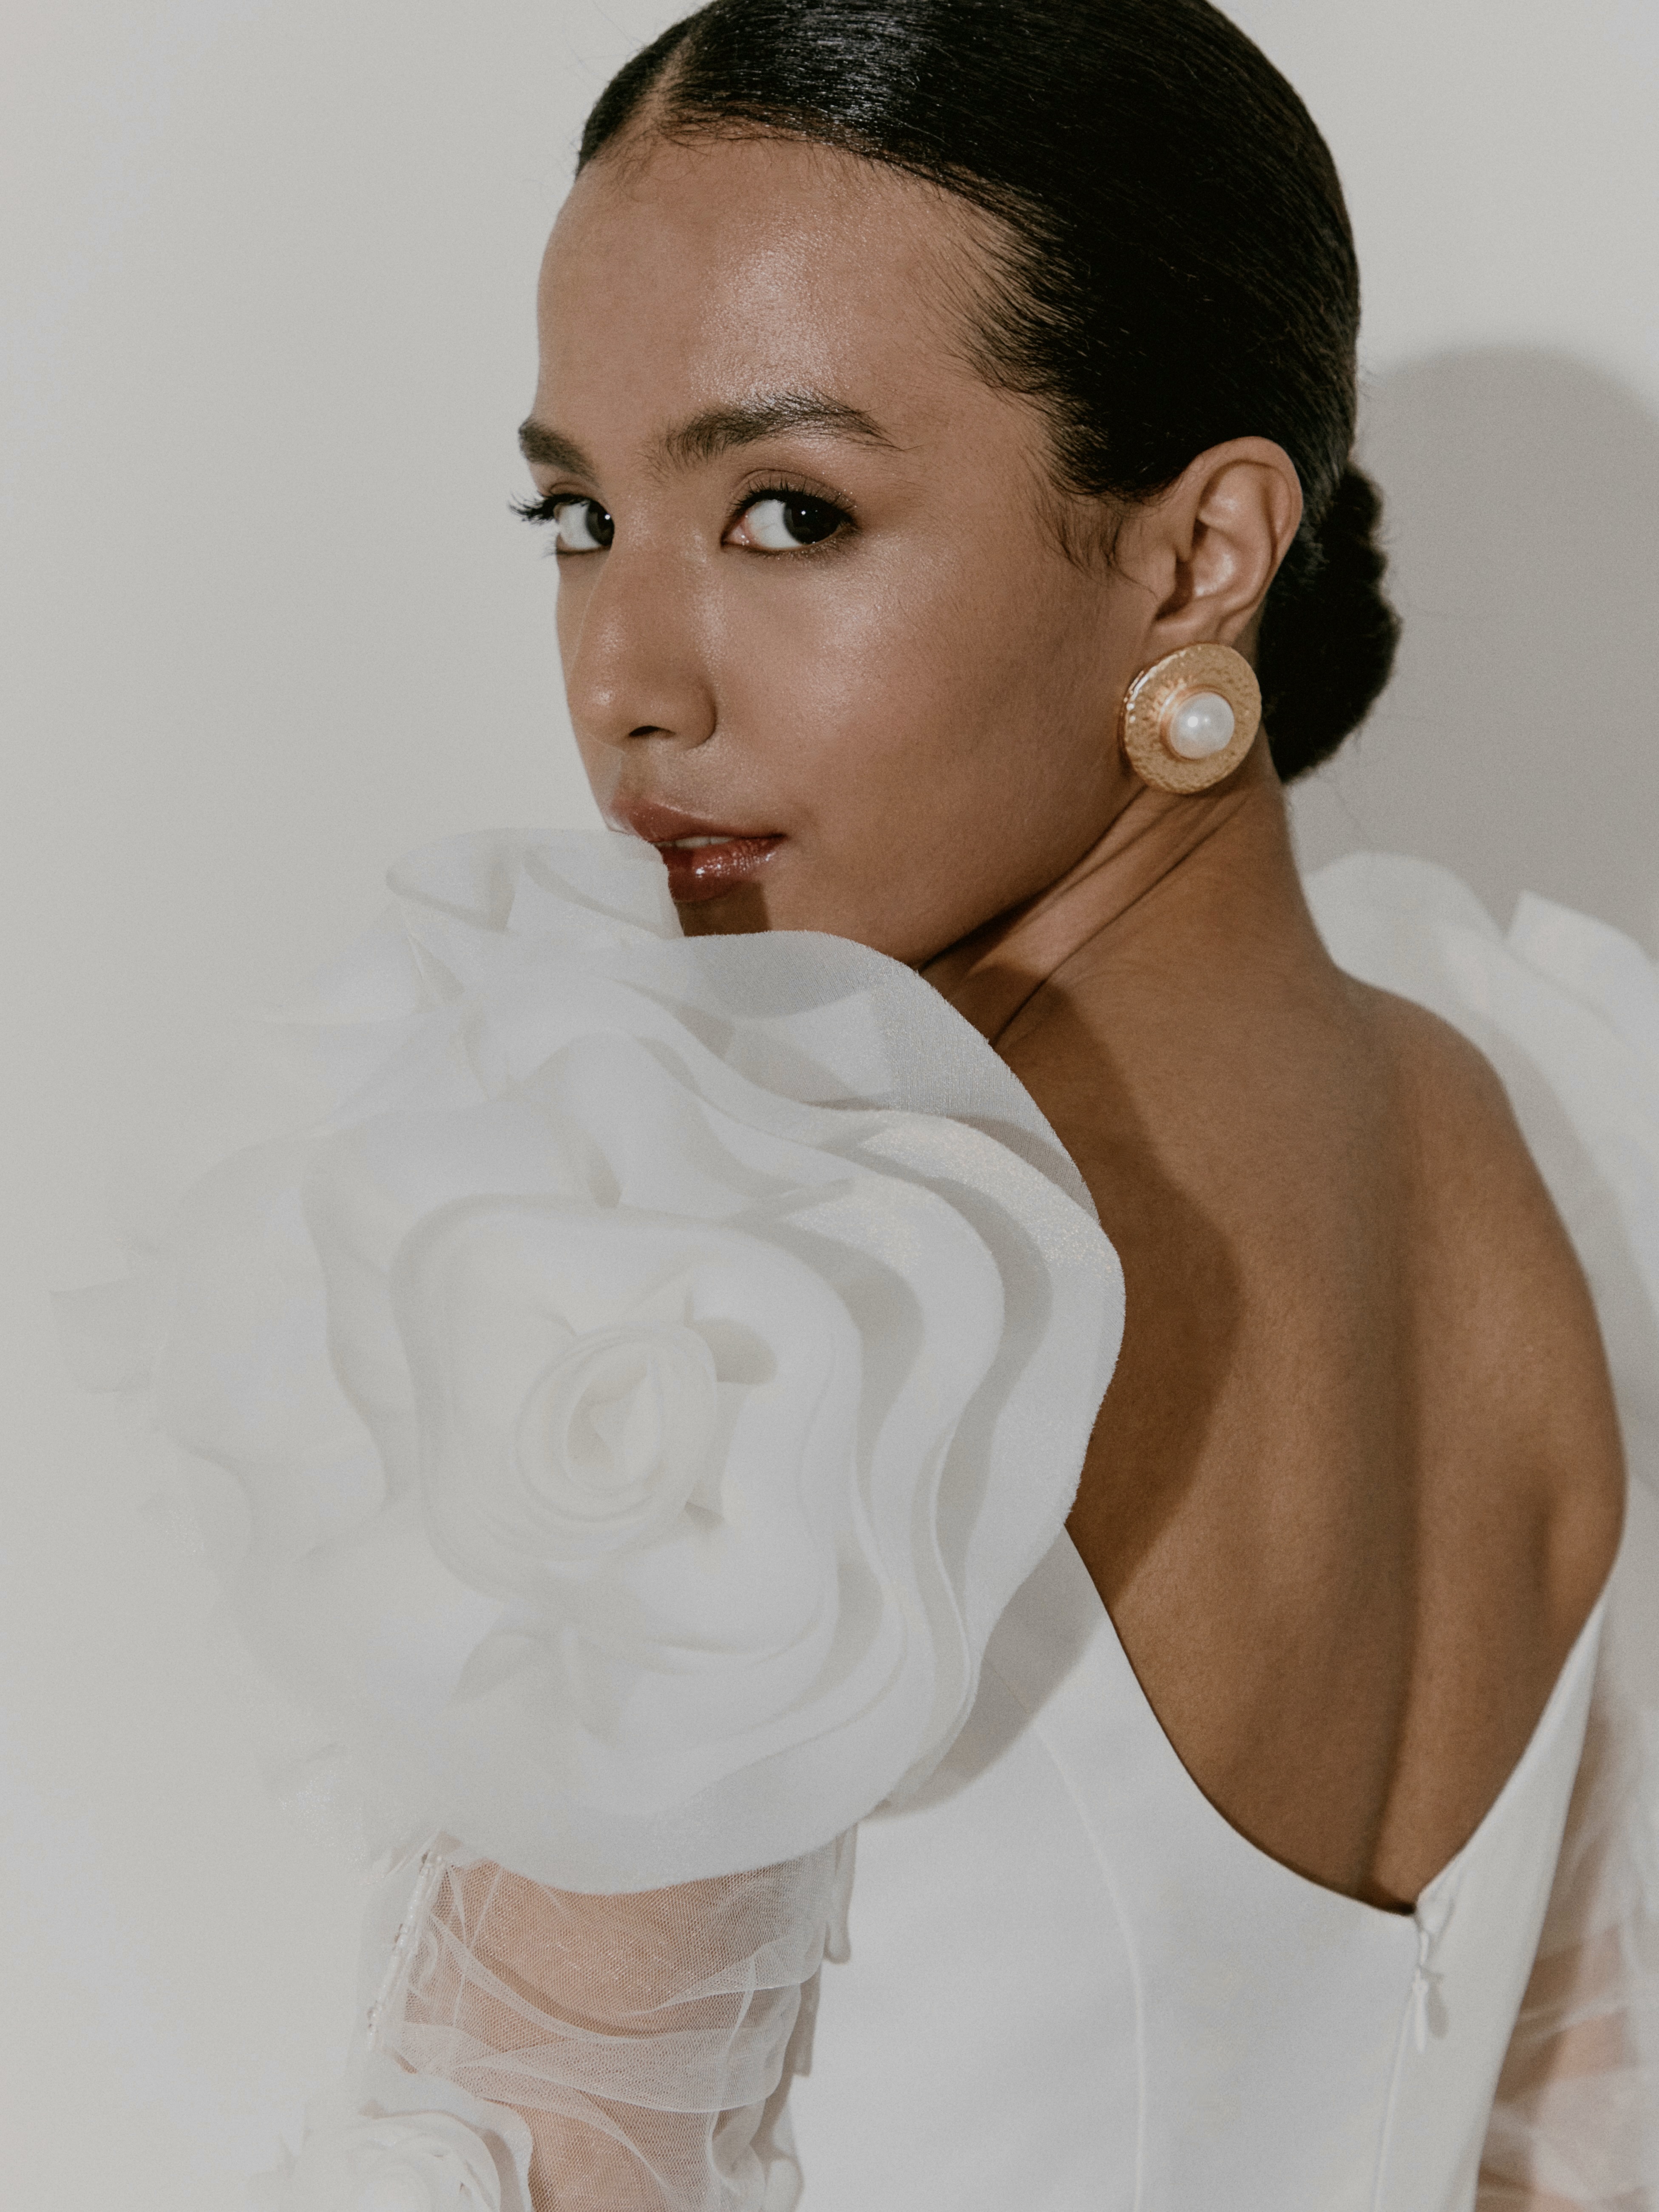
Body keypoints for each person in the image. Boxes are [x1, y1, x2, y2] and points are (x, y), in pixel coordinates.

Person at [77, 3, 1659, 2208]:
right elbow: (1572, 2142)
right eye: (580, 515)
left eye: (789, 512)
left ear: (1203, 551)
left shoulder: (770, 1268)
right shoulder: (1568, 1138)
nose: (627, 680)